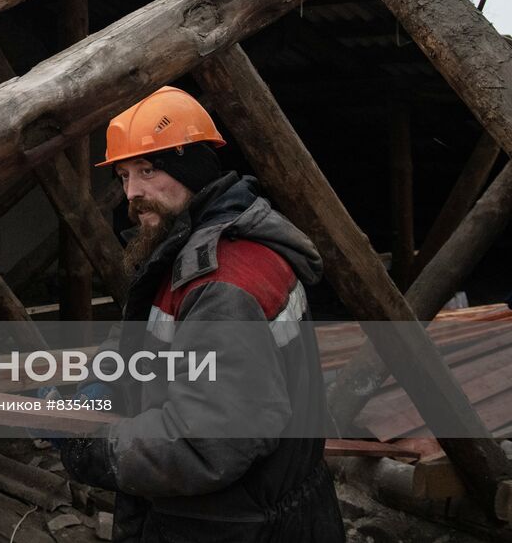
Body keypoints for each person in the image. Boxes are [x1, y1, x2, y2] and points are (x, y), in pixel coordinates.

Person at [57, 86, 344, 542]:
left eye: (148, 171)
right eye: (124, 176)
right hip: (250, 509)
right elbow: (149, 339)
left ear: (190, 167)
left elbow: (204, 441)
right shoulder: (187, 252)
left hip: (234, 524)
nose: (133, 193)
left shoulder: (221, 284)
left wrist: (88, 445)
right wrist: (105, 380)